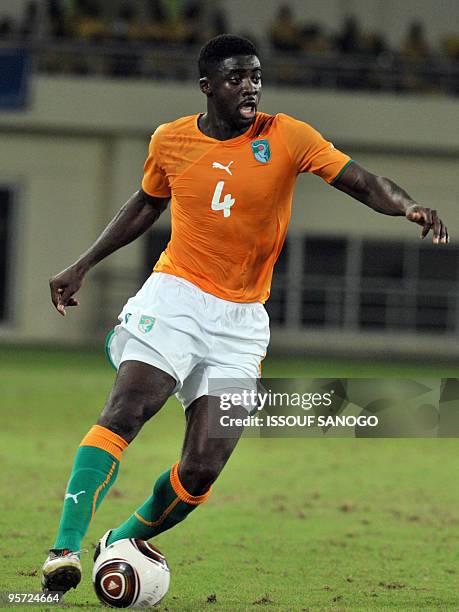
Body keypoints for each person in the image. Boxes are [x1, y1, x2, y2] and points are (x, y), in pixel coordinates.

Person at [42, 34, 449, 595]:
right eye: (237, 77)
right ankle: (63, 550)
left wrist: (407, 206)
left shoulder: (288, 136)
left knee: (203, 467)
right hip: (176, 297)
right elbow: (145, 204)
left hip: (243, 321)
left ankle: (121, 540)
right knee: (131, 407)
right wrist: (83, 264)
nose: (250, 86)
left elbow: (361, 181)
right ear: (208, 86)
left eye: (256, 76)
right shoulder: (171, 140)